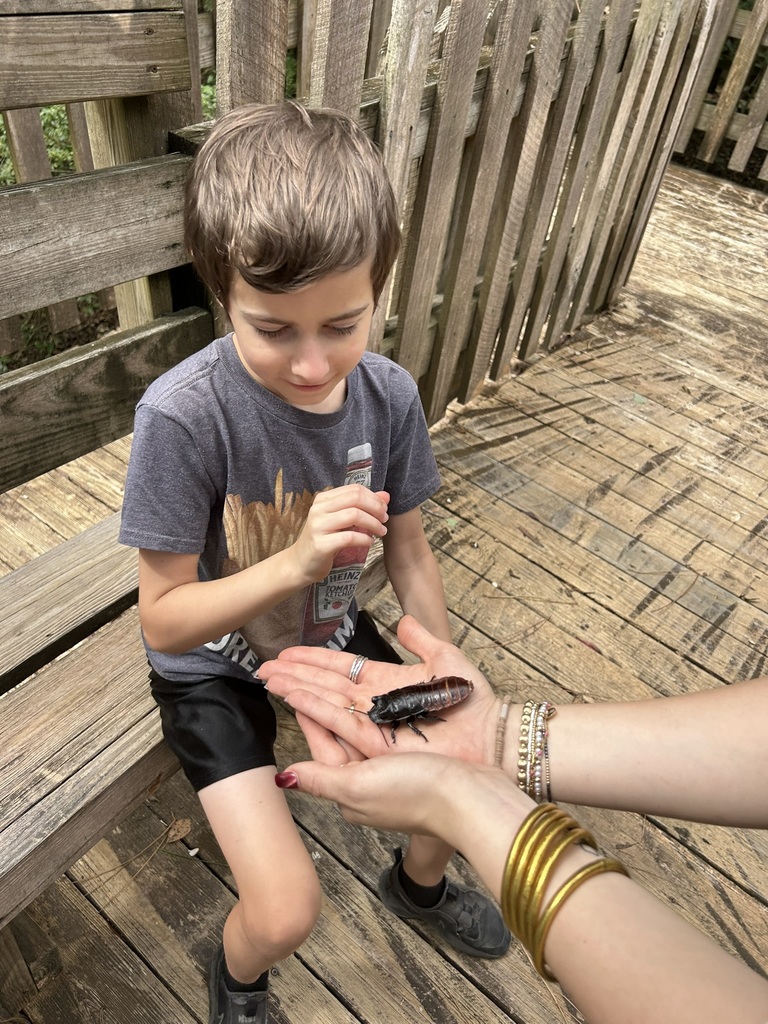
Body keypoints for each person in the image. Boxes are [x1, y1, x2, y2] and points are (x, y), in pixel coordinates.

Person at [118, 103, 508, 1024]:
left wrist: (436, 665)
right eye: (273, 329)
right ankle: (238, 981)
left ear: (379, 289)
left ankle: (417, 887)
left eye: (342, 324)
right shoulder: (184, 416)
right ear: (221, 293)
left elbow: (408, 547)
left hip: (329, 640)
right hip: (211, 666)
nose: (310, 363)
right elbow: (164, 618)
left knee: (462, 772)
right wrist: (295, 562)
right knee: (286, 909)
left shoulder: (389, 395)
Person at [259, 615, 768, 1024]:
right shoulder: (404, 713)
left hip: (430, 703)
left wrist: (461, 796)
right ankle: (415, 886)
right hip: (432, 703)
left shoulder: (407, 715)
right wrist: (499, 735)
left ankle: (417, 885)